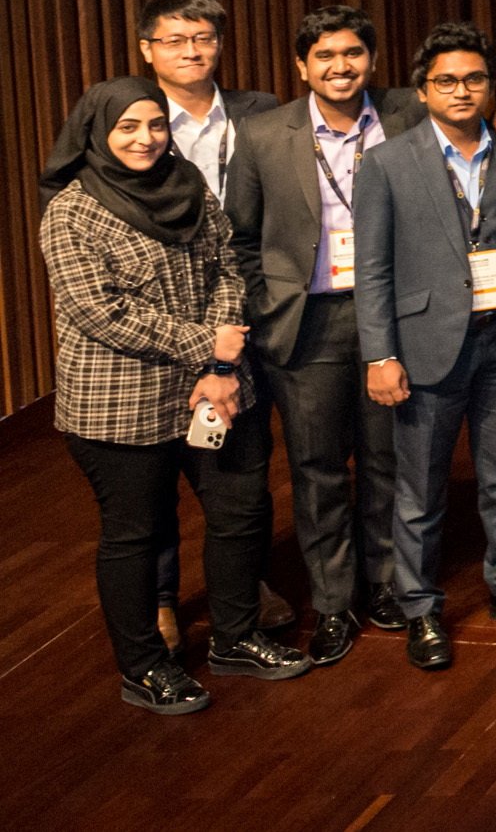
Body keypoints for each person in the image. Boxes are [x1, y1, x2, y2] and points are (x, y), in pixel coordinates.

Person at [43, 80, 307, 712]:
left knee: (241, 511)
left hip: (214, 383)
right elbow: (101, 312)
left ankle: (236, 637)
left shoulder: (188, 182)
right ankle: (143, 667)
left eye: (155, 125)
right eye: (128, 127)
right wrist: (207, 347)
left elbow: (226, 268)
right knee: (138, 533)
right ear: (97, 133)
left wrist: (220, 360)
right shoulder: (71, 211)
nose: (146, 138)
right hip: (119, 402)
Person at [359, 24, 496, 669]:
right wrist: (379, 354)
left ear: (490, 86)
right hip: (425, 345)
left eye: (475, 79)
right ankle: (418, 606)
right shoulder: (388, 163)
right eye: (446, 80)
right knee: (420, 488)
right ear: (423, 90)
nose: (462, 90)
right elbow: (373, 271)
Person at [219, 4, 404, 661]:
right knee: (318, 467)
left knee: (387, 460)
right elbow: (238, 235)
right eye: (324, 55)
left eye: (352, 52)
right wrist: (267, 304)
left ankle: (384, 583)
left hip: (392, 317)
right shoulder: (265, 134)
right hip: (307, 323)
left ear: (372, 60)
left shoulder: (407, 115)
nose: (340, 65)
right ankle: (333, 601)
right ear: (301, 66)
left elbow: (476, 126)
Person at [126, 0, 276, 200]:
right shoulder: (129, 123)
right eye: (174, 41)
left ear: (220, 43)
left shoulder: (262, 109)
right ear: (147, 50)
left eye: (204, 39)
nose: (191, 52)